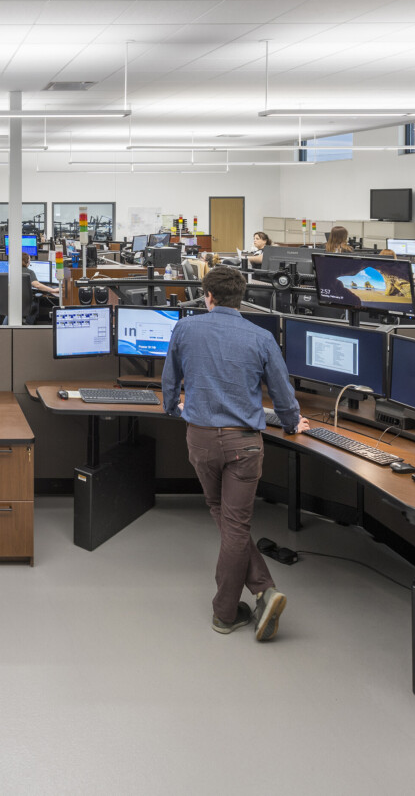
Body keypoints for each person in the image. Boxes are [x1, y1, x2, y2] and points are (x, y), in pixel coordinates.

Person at [162, 265, 309, 642]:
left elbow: (169, 381)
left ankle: (241, 604)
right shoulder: (261, 337)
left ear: (207, 296)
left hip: (201, 439)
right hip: (244, 444)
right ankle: (249, 599)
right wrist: (293, 424)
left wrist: (171, 409)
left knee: (223, 517)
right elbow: (282, 394)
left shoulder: (185, 328)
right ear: (241, 298)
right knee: (236, 524)